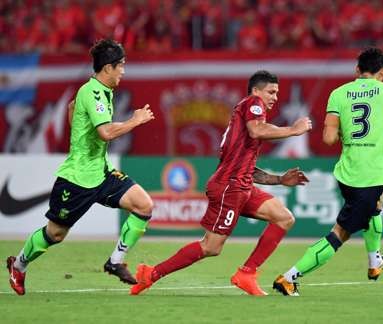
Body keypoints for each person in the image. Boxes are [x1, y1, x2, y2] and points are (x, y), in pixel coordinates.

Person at [273, 47, 383, 296]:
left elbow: (328, 139)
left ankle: (375, 262)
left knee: (376, 206)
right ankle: (288, 278)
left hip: (348, 173)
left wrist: (344, 133)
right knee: (339, 234)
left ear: (357, 70)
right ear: (382, 73)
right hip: (368, 174)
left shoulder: (338, 94)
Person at [130, 70, 313, 296]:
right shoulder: (252, 104)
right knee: (211, 247)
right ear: (256, 91)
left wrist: (279, 180)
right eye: (271, 92)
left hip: (241, 185)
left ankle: (247, 273)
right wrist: (294, 130)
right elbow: (258, 130)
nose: (275, 97)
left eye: (277, 93)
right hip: (230, 187)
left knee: (284, 218)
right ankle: (151, 274)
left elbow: (248, 167)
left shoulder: (244, 122)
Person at [6, 39, 155, 295]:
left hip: (102, 172)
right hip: (78, 179)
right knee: (55, 234)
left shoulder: (100, 91)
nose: (123, 71)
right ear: (107, 67)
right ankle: (18, 265)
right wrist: (135, 120)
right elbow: (106, 132)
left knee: (144, 205)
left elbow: (73, 110)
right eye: (120, 65)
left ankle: (115, 262)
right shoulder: (94, 92)